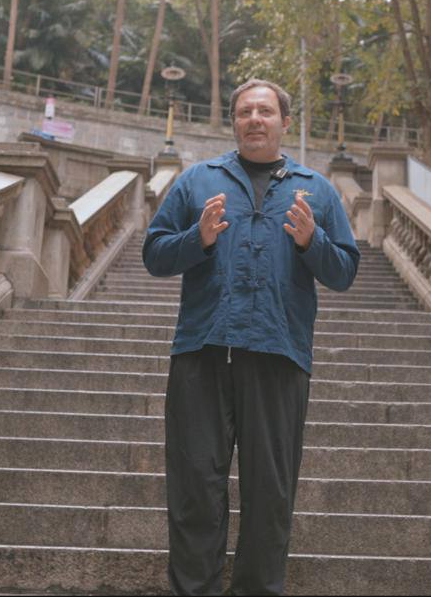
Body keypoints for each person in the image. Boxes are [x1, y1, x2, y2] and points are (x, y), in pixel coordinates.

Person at [142, 79, 360, 595]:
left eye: (265, 111)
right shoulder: (198, 180)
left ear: (285, 122)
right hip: (202, 352)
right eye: (244, 112)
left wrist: (312, 241)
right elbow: (154, 254)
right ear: (234, 122)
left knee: (270, 495)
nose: (254, 119)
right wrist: (198, 238)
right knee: (195, 488)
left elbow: (345, 271)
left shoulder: (317, 189)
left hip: (279, 354)